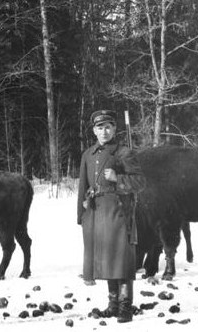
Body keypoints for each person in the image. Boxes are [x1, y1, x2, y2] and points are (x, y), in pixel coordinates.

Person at [77, 109, 138, 323]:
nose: (104, 131)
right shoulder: (88, 154)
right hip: (95, 212)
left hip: (118, 211)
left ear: (114, 129)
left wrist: (117, 178)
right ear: (94, 131)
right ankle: (112, 305)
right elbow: (82, 186)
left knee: (121, 259)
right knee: (106, 259)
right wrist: (81, 217)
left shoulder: (123, 153)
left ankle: (125, 307)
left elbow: (140, 182)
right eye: (100, 127)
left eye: (108, 127)